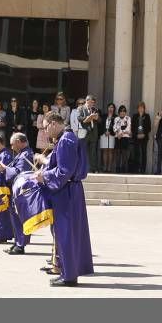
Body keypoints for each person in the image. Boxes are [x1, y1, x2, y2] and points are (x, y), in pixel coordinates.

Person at [35, 111, 93, 287]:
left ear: (53, 123)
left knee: (66, 233)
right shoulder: (64, 139)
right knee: (64, 233)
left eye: (45, 127)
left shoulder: (66, 140)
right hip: (67, 190)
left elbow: (64, 171)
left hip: (67, 192)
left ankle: (69, 276)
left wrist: (44, 177)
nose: (45, 132)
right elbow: (57, 164)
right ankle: (66, 270)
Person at [0, 132, 35, 255]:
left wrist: (5, 169)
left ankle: (21, 245)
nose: (12, 147)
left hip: (21, 192)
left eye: (13, 144)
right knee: (15, 218)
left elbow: (20, 172)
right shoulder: (21, 153)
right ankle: (17, 242)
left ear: (19, 142)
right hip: (16, 190)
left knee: (20, 218)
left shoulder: (26, 154)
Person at [77, 96, 100, 174]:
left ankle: (93, 168)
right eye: (90, 102)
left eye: (92, 102)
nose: (91, 104)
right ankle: (84, 168)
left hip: (93, 133)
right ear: (87, 101)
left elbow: (100, 120)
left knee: (93, 151)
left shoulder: (95, 109)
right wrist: (88, 118)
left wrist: (96, 118)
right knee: (84, 151)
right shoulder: (81, 108)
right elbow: (79, 118)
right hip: (85, 133)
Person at [131, 102, 151, 173]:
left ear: (144, 108)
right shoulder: (135, 116)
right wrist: (136, 134)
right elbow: (132, 127)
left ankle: (143, 169)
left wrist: (144, 134)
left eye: (142, 107)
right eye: (139, 107)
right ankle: (136, 168)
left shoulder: (147, 116)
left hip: (144, 137)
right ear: (137, 108)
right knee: (137, 153)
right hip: (136, 137)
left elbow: (149, 127)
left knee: (143, 153)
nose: (141, 109)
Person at [98, 103, 117, 173]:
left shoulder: (115, 117)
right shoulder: (104, 116)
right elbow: (101, 125)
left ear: (114, 109)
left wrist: (111, 132)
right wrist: (104, 131)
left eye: (112, 107)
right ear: (107, 108)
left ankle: (109, 168)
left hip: (112, 135)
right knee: (105, 151)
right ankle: (105, 167)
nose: (110, 109)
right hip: (104, 134)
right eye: (109, 107)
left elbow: (116, 126)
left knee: (110, 151)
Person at [113, 105, 131, 174]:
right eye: (121, 111)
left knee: (124, 154)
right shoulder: (116, 118)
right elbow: (114, 127)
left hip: (125, 137)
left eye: (124, 111)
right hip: (117, 138)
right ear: (119, 112)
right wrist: (117, 133)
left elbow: (128, 128)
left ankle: (123, 168)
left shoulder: (128, 118)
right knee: (117, 153)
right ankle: (117, 168)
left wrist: (121, 133)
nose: (122, 112)